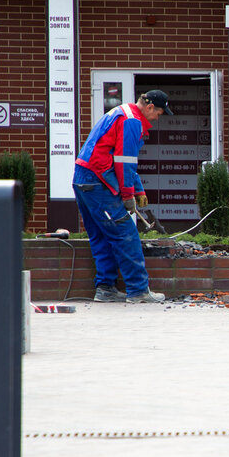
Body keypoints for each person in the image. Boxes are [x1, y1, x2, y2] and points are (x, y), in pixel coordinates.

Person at [73, 90, 174, 303]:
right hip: (98, 183)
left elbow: (123, 160)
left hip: (83, 181)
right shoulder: (132, 122)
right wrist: (128, 195)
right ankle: (138, 291)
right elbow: (124, 162)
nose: (158, 118)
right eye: (159, 113)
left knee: (101, 236)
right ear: (149, 108)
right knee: (126, 235)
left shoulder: (122, 112)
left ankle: (106, 289)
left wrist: (138, 191)